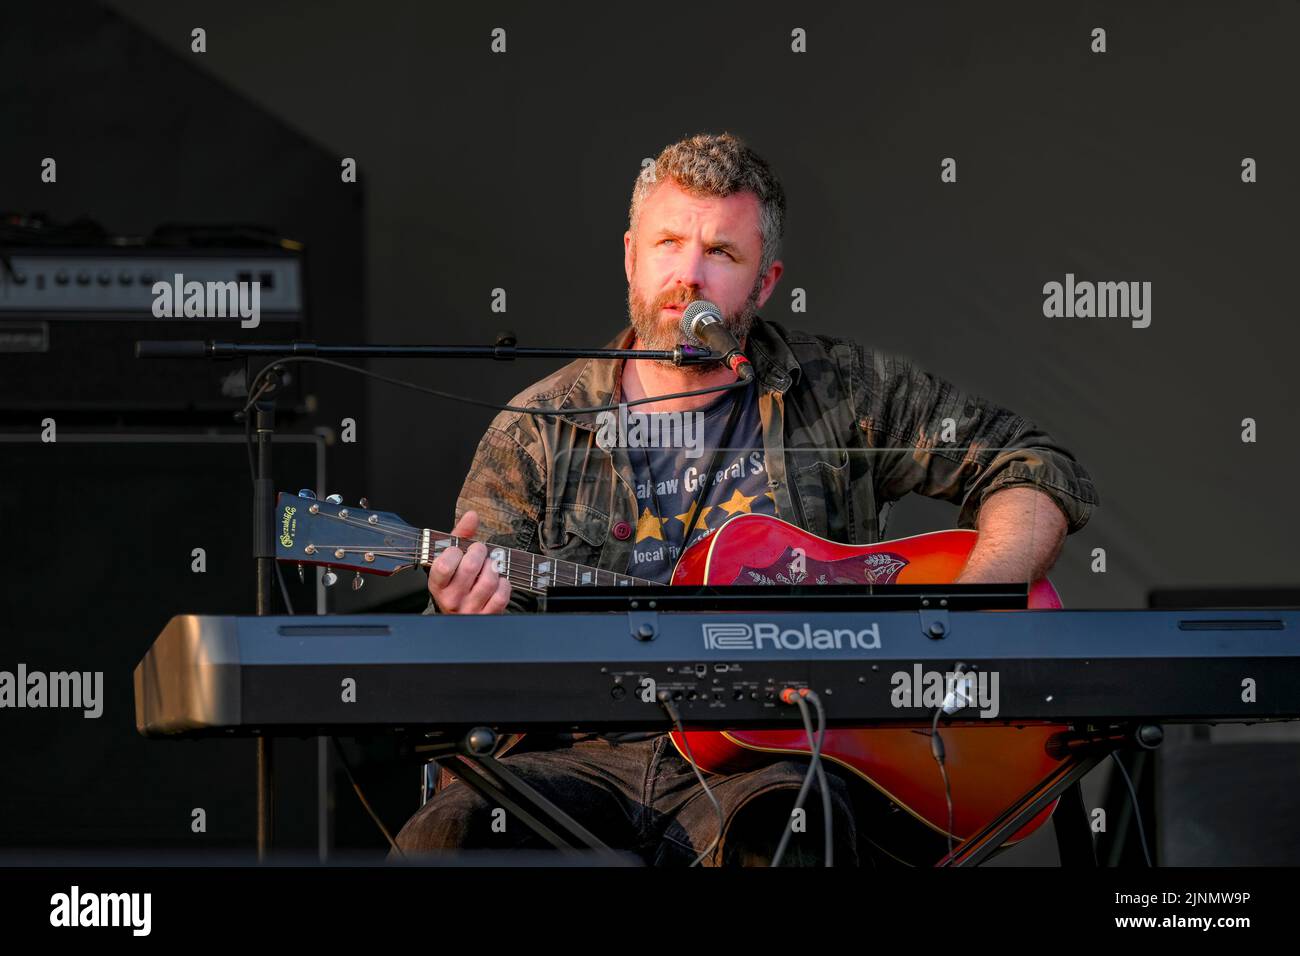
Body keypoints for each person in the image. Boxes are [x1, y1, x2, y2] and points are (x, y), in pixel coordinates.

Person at [392, 132, 1098, 865]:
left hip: (780, 758)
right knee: (455, 831)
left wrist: (972, 608)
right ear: (632, 256)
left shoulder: (844, 392)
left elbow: (1034, 464)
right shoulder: (538, 427)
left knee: (788, 821)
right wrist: (461, 615)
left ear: (764, 283)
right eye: (669, 244)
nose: (689, 275)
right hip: (584, 760)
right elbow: (461, 668)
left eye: (721, 254)